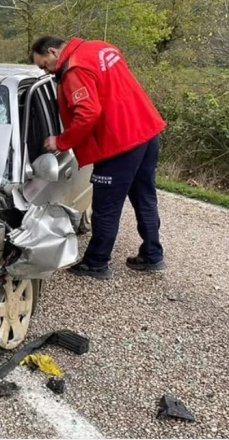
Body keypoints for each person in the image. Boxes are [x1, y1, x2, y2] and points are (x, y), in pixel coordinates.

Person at [30, 36, 166, 280]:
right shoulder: (100, 47)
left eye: (44, 65)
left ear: (52, 51)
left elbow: (88, 114)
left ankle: (96, 263)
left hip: (119, 143)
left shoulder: (74, 69)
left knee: (105, 207)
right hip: (145, 130)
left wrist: (60, 142)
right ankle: (152, 255)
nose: (47, 71)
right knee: (144, 195)